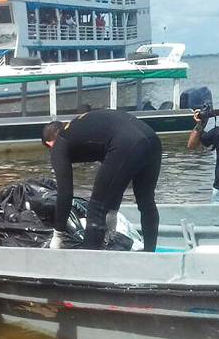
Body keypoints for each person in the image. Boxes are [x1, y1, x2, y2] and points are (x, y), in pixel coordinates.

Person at [41, 108, 162, 252]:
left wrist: (58, 234)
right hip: (152, 138)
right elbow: (116, 178)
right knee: (146, 202)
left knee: (96, 209)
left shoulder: (60, 142)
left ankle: (88, 267)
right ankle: (150, 254)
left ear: (49, 144)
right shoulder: (83, 130)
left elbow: (65, 193)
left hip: (126, 142)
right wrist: (112, 211)